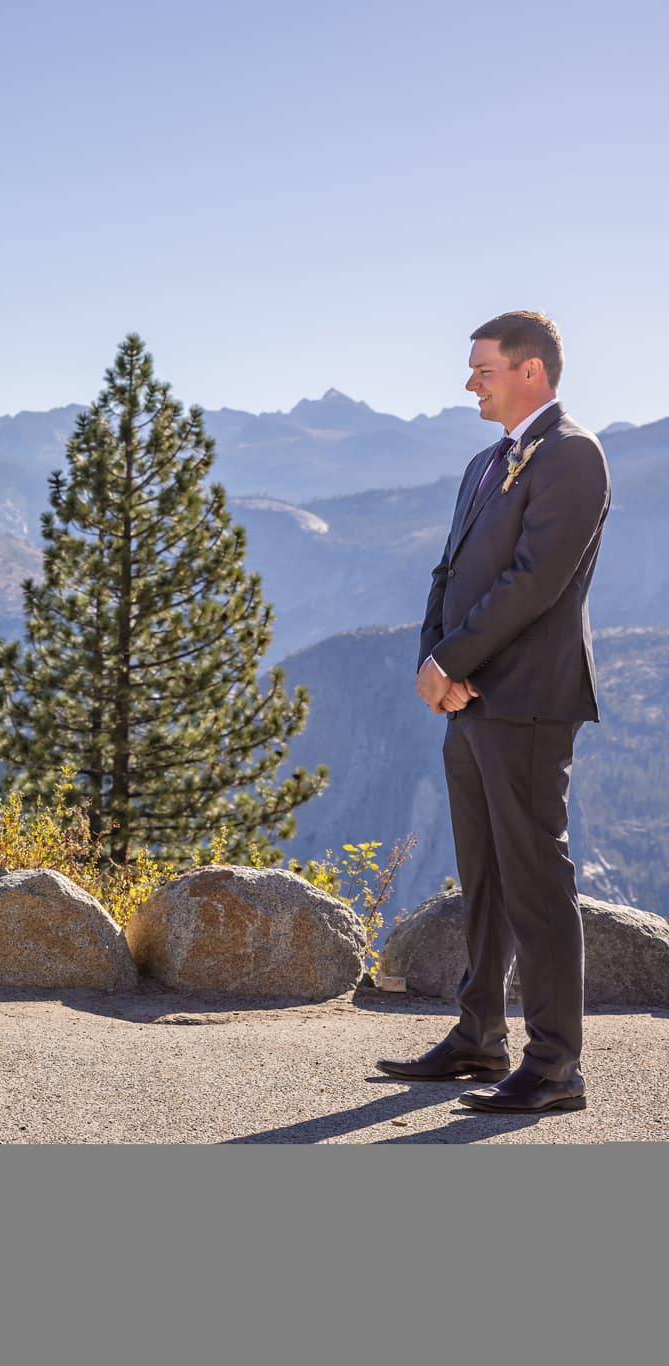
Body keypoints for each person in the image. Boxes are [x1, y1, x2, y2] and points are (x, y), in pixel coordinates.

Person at [378, 311, 610, 1114]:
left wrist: (454, 663)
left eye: (483, 369)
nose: (469, 383)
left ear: (531, 371)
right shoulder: (486, 462)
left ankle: (554, 1069)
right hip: (470, 700)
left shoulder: (573, 454)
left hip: (529, 701)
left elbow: (535, 581)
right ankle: (479, 1036)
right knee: (482, 876)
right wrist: (434, 664)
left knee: (536, 880)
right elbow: (447, 574)